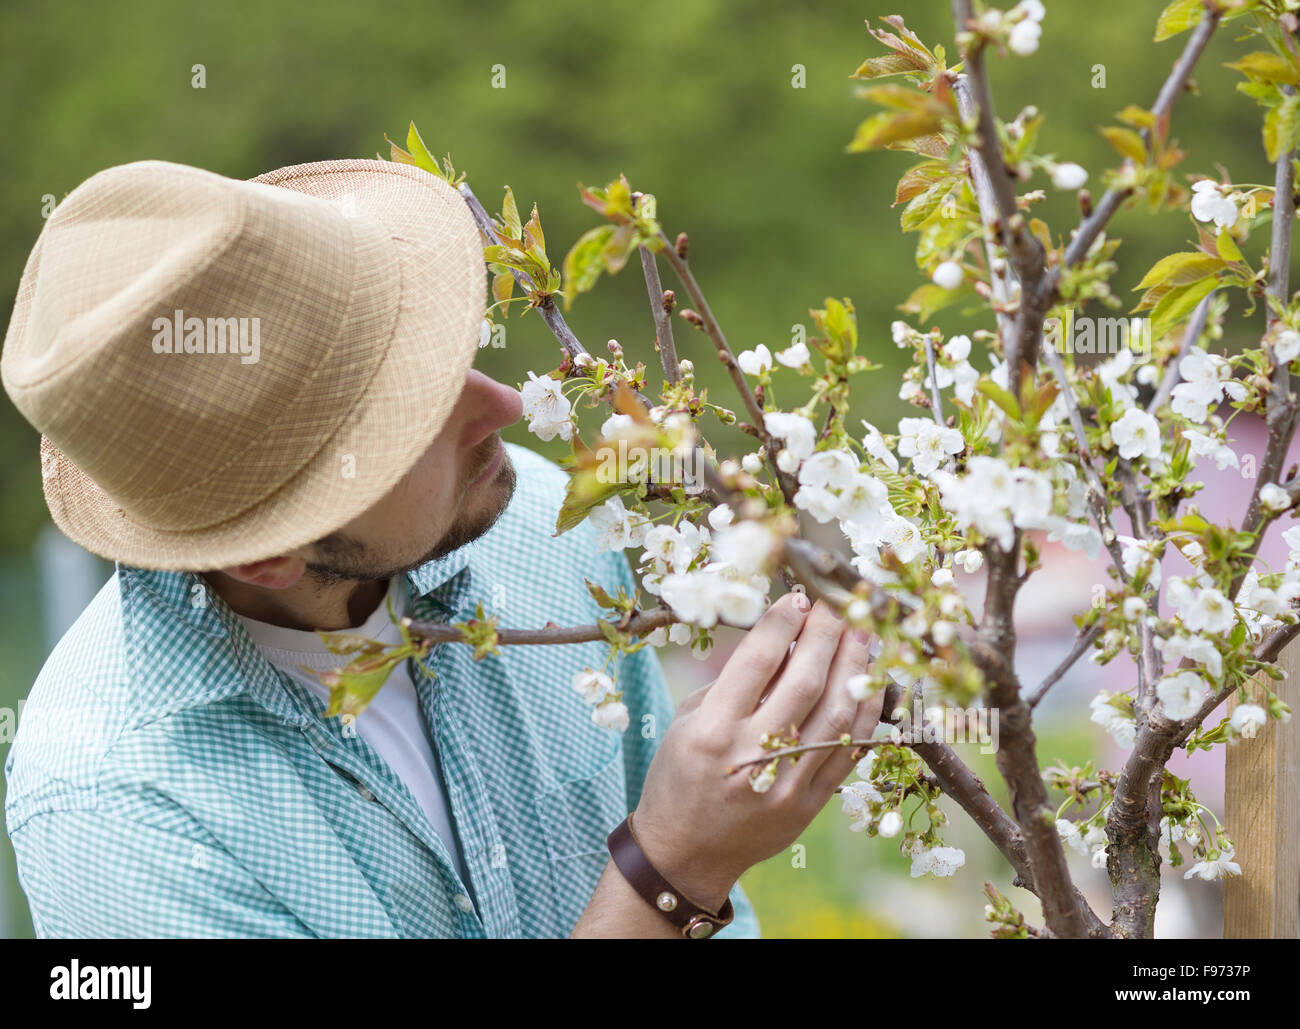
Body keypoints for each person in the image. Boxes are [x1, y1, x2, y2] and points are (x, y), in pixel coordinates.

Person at [0, 157, 880, 938]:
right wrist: (671, 875)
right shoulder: (119, 815)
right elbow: (682, 882)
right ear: (266, 557)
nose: (500, 403)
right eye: (411, 416)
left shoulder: (539, 527)